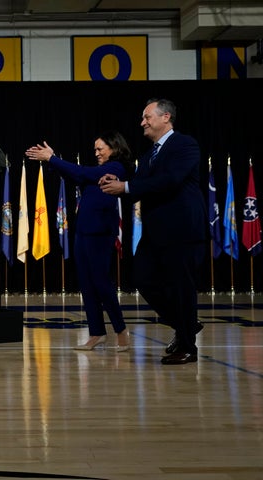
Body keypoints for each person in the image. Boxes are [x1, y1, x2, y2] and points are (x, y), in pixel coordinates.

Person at [100, 98, 206, 365]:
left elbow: (169, 181)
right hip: (155, 233)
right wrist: (120, 183)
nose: (142, 122)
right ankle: (186, 325)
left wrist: (126, 187)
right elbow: (140, 185)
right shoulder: (148, 156)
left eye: (147, 117)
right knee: (142, 277)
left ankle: (187, 347)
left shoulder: (185, 145)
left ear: (166, 117)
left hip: (181, 231)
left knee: (182, 287)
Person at [26, 131, 135, 352]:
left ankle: (121, 331)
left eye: (100, 149)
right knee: (86, 284)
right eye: (95, 149)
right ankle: (96, 333)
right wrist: (52, 160)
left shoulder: (116, 168)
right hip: (83, 232)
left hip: (101, 234)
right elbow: (76, 175)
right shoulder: (96, 172)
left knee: (102, 284)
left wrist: (52, 159)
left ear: (113, 148)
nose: (96, 153)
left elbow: (83, 174)